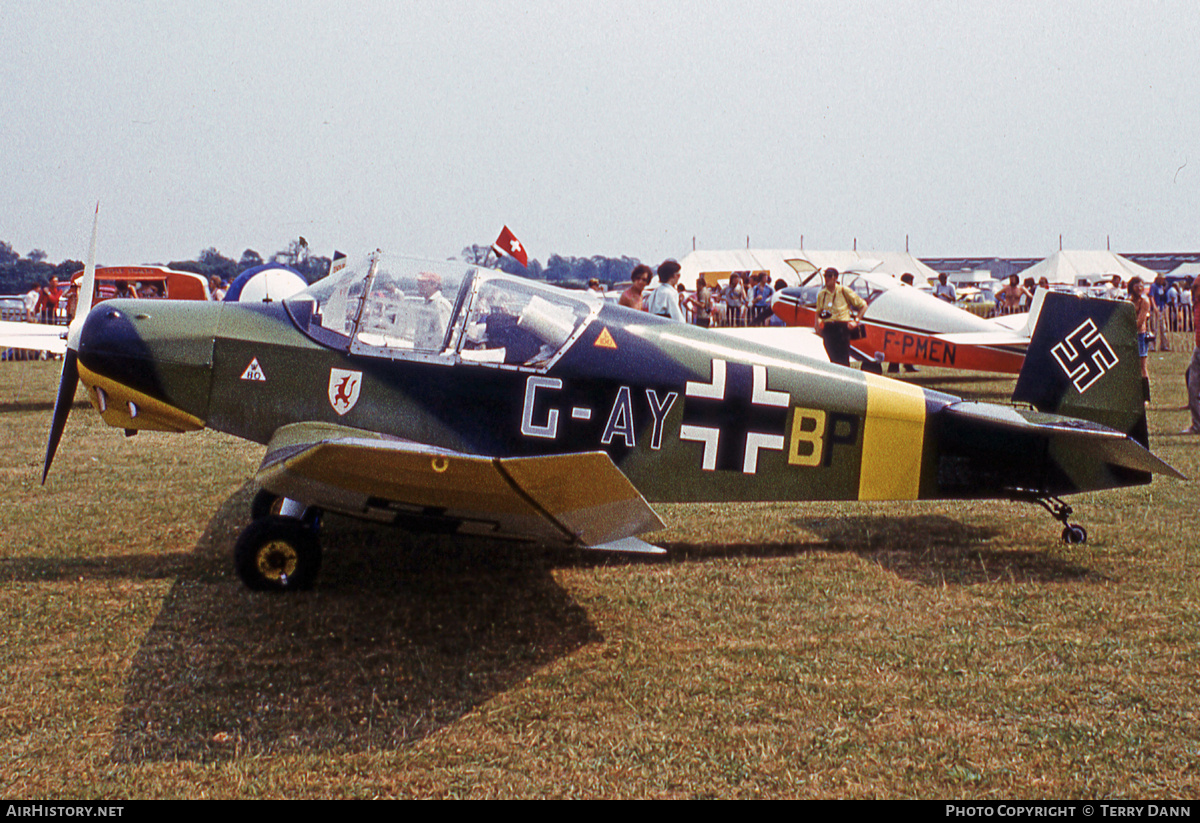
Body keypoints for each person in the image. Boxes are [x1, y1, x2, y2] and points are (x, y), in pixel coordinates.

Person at [814, 268, 866, 367]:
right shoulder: (822, 294)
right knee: (832, 358)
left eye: (830, 276)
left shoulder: (843, 291)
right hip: (828, 328)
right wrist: (817, 325)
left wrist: (856, 321)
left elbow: (863, 305)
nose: (827, 278)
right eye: (825, 276)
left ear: (835, 278)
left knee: (842, 359)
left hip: (841, 329)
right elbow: (818, 312)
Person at [414, 271, 453, 350]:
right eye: (419, 282)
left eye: (423, 282)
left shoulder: (440, 304)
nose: (419, 285)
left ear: (434, 285)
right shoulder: (427, 304)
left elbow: (443, 337)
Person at [1129, 277, 1152, 404]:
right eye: (1137, 285)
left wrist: (1128, 325)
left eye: (1141, 285)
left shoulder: (1145, 302)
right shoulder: (1128, 301)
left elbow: (1140, 322)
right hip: (1129, 335)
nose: (1139, 287)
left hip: (1140, 336)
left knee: (1142, 366)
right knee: (1131, 366)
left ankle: (1145, 397)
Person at [1185, 278, 1200, 434]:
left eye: (1196, 288)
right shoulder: (1195, 305)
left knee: (1194, 386)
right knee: (1192, 386)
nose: (1194, 290)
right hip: (1198, 348)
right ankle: (1197, 425)